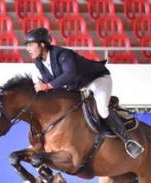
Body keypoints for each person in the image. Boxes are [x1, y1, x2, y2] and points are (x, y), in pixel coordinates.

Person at [24, 27, 144, 159]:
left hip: (97, 79)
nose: (28, 49)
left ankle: (128, 141)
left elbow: (70, 74)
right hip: (77, 86)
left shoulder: (63, 54)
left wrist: (46, 86)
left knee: (102, 110)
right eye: (27, 45)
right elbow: (51, 84)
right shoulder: (39, 63)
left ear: (42, 44)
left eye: (30, 45)